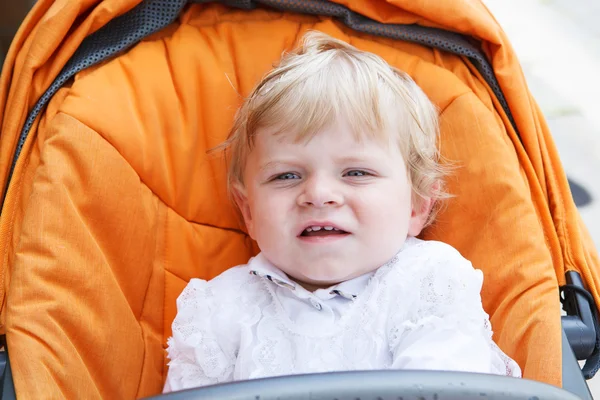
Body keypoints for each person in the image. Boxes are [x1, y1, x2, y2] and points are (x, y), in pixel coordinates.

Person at [162, 30, 521, 392]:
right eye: (286, 175)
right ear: (248, 211)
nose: (318, 194)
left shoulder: (430, 282)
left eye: (356, 173)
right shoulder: (219, 311)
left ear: (418, 204)